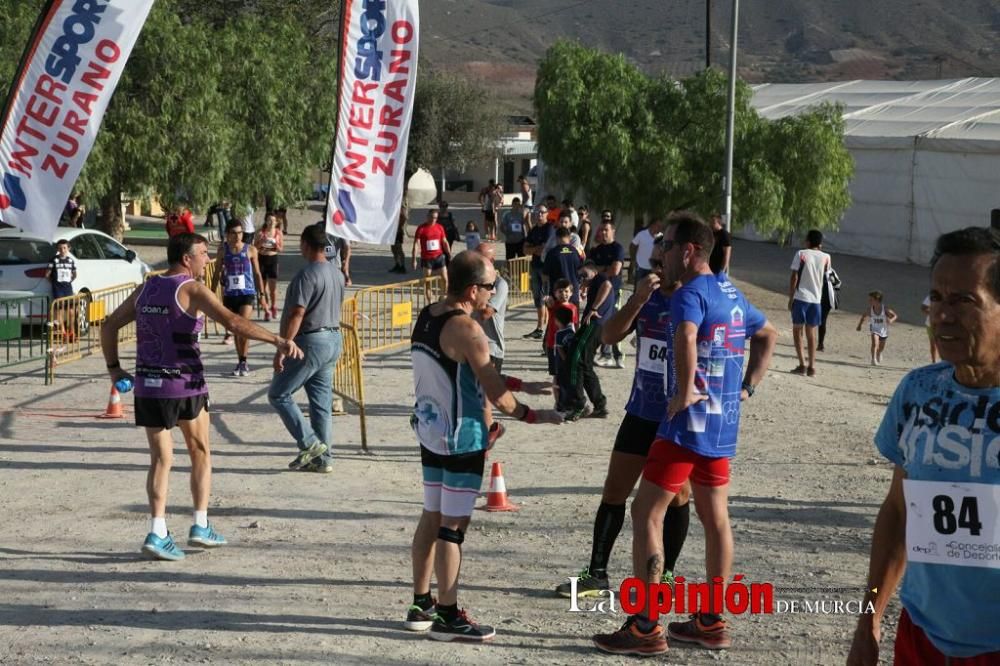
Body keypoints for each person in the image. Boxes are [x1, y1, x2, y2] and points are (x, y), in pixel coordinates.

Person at [592, 214, 777, 656]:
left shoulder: (689, 295)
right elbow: (768, 333)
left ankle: (644, 626)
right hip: (721, 426)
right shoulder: (730, 292)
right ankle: (711, 621)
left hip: (685, 426)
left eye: (668, 246)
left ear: (689, 250)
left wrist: (687, 387)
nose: (661, 254)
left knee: (646, 515)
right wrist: (747, 386)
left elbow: (687, 335)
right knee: (716, 520)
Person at [847, 226, 1000, 666]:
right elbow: (898, 513)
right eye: (937, 298)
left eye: (964, 301)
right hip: (922, 640)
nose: (942, 315)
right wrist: (868, 621)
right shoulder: (918, 392)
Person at [100, 232, 303, 561]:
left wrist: (114, 370)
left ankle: (158, 530)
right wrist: (276, 340)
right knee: (201, 452)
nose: (208, 260)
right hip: (185, 385)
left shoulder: (146, 288)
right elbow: (234, 322)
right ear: (186, 258)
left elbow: (109, 326)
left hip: (149, 386)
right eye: (203, 254)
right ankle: (200, 524)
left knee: (161, 460)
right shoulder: (191, 289)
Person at [405, 251, 562, 642]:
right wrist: (533, 414)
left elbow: (464, 366)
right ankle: (447, 614)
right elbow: (493, 391)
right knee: (453, 528)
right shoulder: (469, 331)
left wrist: (522, 383)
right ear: (473, 289)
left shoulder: (429, 315)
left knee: (432, 515)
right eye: (491, 286)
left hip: (431, 432)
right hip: (463, 438)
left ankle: (420, 602)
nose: (495, 293)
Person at [555, 238, 691, 599]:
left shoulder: (695, 299)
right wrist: (636, 300)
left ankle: (668, 576)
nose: (657, 266)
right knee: (614, 491)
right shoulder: (648, 297)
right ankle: (597, 574)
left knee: (677, 498)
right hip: (641, 412)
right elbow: (607, 335)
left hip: (676, 419)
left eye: (664, 258)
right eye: (655, 261)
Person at [267, 224, 346, 474]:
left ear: (306, 244)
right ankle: (324, 458)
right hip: (333, 338)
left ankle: (310, 443)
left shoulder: (307, 274)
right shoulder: (337, 274)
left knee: (279, 393)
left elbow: (297, 313)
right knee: (321, 403)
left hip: (310, 341)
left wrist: (284, 345)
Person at [211, 220, 267, 375]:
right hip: (230, 294)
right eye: (234, 233)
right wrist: (210, 293)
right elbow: (216, 274)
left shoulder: (251, 250)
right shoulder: (223, 250)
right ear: (227, 234)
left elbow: (257, 273)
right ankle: (240, 361)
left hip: (247, 293)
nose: (237, 236)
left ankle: (244, 361)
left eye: (240, 232)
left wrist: (261, 294)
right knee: (235, 328)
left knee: (243, 326)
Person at [470, 243, 509, 448]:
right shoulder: (472, 284)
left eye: (479, 259)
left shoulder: (500, 284)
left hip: (492, 347)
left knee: (484, 393)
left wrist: (473, 302)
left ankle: (489, 433)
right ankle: (488, 429)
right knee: (474, 393)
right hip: (471, 345)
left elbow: (486, 314)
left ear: (490, 262)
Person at [788, 229, 831, 377]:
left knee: (797, 330)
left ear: (808, 241)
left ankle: (802, 364)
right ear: (820, 243)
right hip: (816, 300)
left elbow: (794, 276)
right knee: (811, 333)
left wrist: (791, 297)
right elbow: (827, 278)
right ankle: (812, 366)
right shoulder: (826, 257)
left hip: (801, 297)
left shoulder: (801, 254)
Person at [576, 261, 614, 418]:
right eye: (580, 277)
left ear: (593, 271)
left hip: (594, 325)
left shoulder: (600, 278)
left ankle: (582, 403)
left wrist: (593, 309)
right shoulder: (594, 283)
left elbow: (607, 286)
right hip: (594, 326)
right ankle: (597, 405)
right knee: (583, 364)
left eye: (585, 275)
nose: (583, 278)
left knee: (579, 362)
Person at [590, 218, 627, 368]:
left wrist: (600, 270)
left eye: (606, 230)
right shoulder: (596, 250)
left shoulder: (618, 248)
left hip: (614, 291)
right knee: (602, 322)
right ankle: (610, 354)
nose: (603, 232)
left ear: (613, 231)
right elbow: (590, 271)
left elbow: (615, 271)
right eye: (601, 230)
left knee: (613, 322)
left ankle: (613, 355)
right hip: (599, 292)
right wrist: (602, 269)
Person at [542, 279, 578, 411]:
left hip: (567, 347)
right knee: (557, 375)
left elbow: (573, 327)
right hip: (553, 346)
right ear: (555, 293)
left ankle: (566, 401)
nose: (564, 294)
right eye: (560, 291)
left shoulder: (573, 308)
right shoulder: (554, 306)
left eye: (567, 291)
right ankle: (558, 403)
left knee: (567, 375)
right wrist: (547, 300)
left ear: (572, 292)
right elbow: (548, 302)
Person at [522, 203, 555, 339]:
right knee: (537, 298)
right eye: (537, 212)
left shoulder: (550, 229)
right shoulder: (534, 230)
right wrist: (535, 248)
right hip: (535, 266)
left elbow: (543, 249)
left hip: (546, 268)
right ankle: (540, 327)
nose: (539, 215)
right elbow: (525, 249)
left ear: (547, 214)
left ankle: (546, 328)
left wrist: (533, 248)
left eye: (542, 212)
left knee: (546, 297)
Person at [412, 210, 451, 302]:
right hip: (427, 258)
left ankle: (442, 297)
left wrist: (449, 253)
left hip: (439, 256)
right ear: (427, 216)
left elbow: (444, 241)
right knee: (427, 281)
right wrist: (414, 259)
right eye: (431, 217)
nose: (433, 219)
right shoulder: (421, 228)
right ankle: (430, 301)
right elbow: (416, 244)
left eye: (435, 218)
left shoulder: (440, 227)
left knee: (445, 279)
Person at [45, 239, 77, 340]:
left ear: (68, 248)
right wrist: (55, 283)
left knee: (71, 311)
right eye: (60, 248)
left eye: (64, 248)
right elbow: (47, 275)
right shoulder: (53, 260)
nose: (62, 250)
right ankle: (63, 331)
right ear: (57, 249)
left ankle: (72, 331)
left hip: (68, 288)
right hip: (58, 289)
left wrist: (69, 281)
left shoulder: (71, 261)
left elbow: (75, 274)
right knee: (60, 310)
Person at [856, 290, 898, 366]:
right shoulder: (870, 309)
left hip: (883, 330)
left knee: (881, 347)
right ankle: (873, 359)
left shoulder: (885, 309)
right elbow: (863, 316)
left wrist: (891, 320)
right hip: (874, 329)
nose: (869, 301)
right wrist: (859, 325)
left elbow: (895, 316)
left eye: (871, 300)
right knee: (875, 343)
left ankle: (879, 353)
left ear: (877, 300)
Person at [254, 213, 283, 322]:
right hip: (262, 259)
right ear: (266, 221)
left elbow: (281, 249)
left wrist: (276, 245)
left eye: (273, 221)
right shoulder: (260, 233)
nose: (271, 222)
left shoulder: (278, 233)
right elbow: (254, 247)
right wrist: (261, 242)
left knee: (273, 289)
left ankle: (273, 307)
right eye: (269, 220)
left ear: (276, 222)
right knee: (262, 288)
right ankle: (266, 309)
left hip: (273, 260)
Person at [630, 217, 664, 283]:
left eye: (661, 227)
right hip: (641, 266)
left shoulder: (661, 236)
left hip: (654, 268)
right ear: (652, 225)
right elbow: (632, 246)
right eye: (658, 226)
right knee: (639, 287)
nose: (660, 228)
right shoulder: (641, 234)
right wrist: (633, 260)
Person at [817, 265, 841, 352]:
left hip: (820, 299)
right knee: (821, 321)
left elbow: (838, 284)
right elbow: (838, 285)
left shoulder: (829, 271)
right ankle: (820, 344)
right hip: (825, 299)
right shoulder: (830, 271)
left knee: (816, 321)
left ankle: (820, 344)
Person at [390, 200, 409, 274]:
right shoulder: (392, 206)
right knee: (393, 248)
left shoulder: (400, 206)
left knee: (399, 248)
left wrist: (399, 226)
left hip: (398, 231)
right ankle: (397, 264)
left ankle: (402, 266)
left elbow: (404, 217)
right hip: (392, 231)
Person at [921, 294, 938, 362]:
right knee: (933, 344)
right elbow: (923, 307)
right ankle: (934, 362)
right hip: (931, 324)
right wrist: (932, 313)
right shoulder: (932, 296)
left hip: (945, 325)